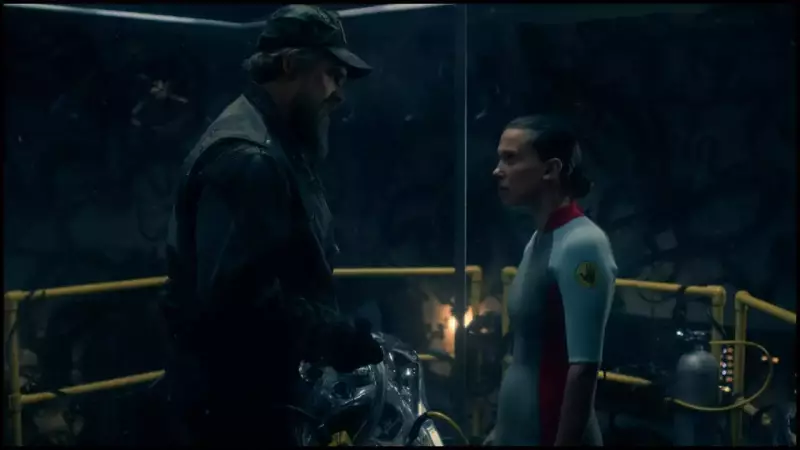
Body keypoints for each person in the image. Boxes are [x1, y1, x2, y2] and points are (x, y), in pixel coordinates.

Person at [159, 5, 383, 446]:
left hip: (243, 394)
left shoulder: (268, 141)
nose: (338, 94)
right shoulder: (250, 159)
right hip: (234, 406)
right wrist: (337, 337)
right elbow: (239, 305)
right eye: (332, 74)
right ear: (289, 66)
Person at [488, 114, 617, 446]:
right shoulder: (540, 239)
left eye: (511, 159)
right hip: (519, 432)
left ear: (550, 169)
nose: (498, 170)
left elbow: (583, 369)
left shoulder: (583, 245)